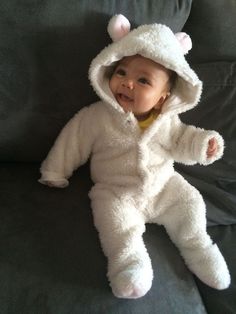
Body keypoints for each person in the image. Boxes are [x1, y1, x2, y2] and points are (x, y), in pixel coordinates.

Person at [39, 15, 230, 299]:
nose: (128, 84)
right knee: (113, 224)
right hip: (117, 192)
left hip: (164, 187)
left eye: (143, 80)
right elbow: (73, 141)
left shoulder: (168, 122)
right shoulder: (98, 117)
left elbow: (183, 140)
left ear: (164, 97)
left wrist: (205, 144)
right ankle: (129, 264)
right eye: (122, 73)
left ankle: (199, 247)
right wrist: (55, 171)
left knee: (190, 204)